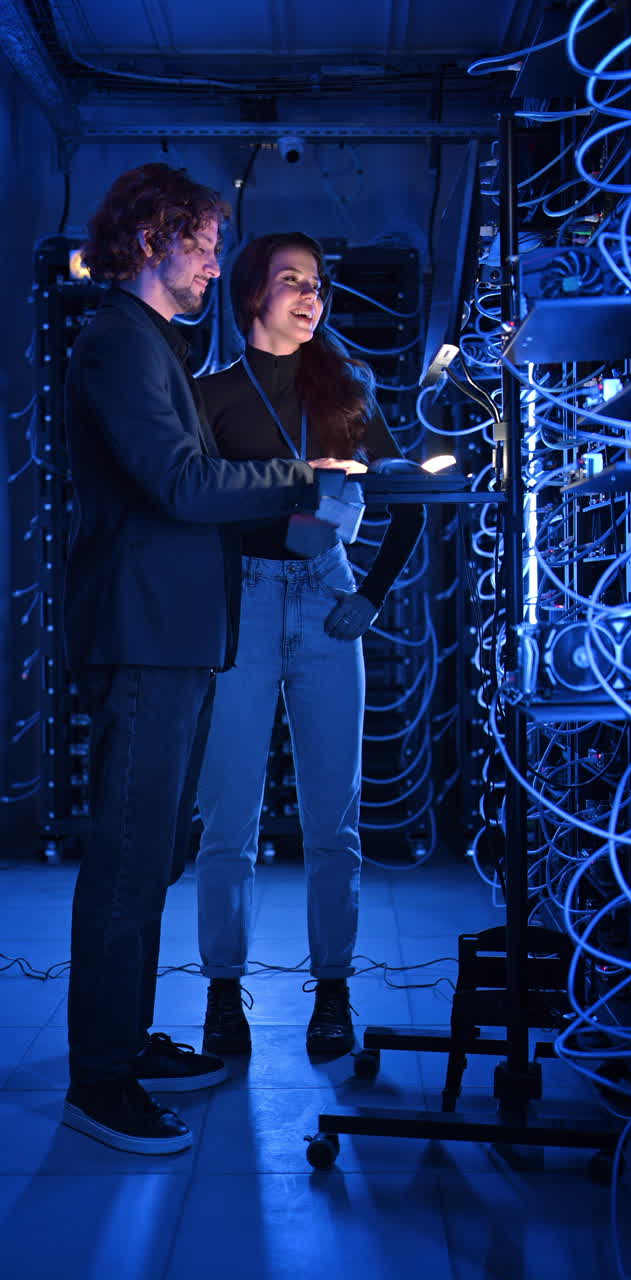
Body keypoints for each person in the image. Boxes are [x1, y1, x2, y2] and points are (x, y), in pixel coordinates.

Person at [61, 168, 325, 1154]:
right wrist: (301, 476)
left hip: (171, 635)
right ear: (148, 240)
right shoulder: (118, 342)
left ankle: (122, 1044)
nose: (219, 263)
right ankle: (98, 1079)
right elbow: (178, 480)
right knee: (130, 856)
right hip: (142, 637)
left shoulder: (151, 345)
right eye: (205, 244)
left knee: (153, 852)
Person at [195, 232, 426, 1060]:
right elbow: (188, 510)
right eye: (290, 280)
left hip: (328, 601)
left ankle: (334, 994)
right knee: (229, 820)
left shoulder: (349, 391)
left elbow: (408, 499)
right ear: (251, 291)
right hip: (245, 607)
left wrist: (369, 594)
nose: (310, 296)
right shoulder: (211, 395)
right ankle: (224, 995)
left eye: (317, 284)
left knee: (336, 822)